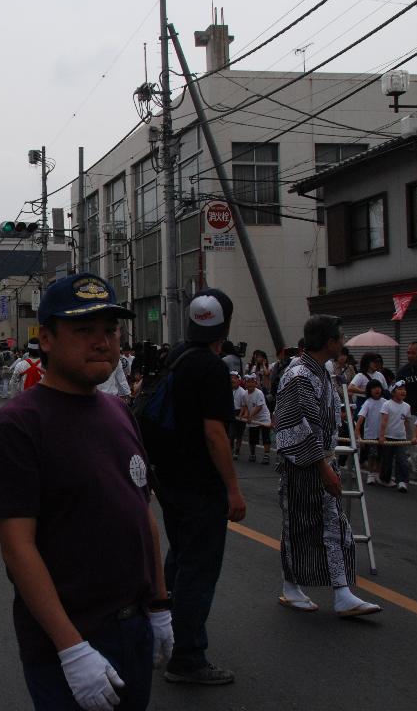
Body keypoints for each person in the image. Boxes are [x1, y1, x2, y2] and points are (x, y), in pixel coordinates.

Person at [0, 274, 168, 710]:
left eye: (110, 330)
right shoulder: (19, 425)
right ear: (45, 338)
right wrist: (71, 647)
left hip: (134, 624)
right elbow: (17, 548)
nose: (101, 342)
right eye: (84, 330)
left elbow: (143, 514)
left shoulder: (120, 412)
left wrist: (160, 605)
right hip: (69, 638)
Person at [148, 289, 246, 686]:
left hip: (168, 478)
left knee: (181, 558)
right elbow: (215, 434)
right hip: (200, 484)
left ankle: (163, 631)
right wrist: (234, 490)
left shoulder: (176, 356)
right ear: (224, 325)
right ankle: (187, 657)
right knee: (198, 569)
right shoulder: (212, 367)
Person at [274, 314, 382, 618]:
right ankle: (293, 587)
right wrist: (324, 467)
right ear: (330, 341)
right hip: (303, 465)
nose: (343, 344)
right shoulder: (299, 374)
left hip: (317, 460)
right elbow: (298, 426)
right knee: (299, 529)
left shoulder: (318, 371)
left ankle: (341, 592)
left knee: (333, 527)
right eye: (340, 338)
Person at [377, 381, 413, 491]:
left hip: (401, 437)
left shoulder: (407, 406)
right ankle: (384, 479)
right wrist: (382, 436)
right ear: (393, 392)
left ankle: (402, 481)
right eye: (400, 389)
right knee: (387, 460)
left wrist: (408, 436)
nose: (403, 391)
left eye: (404, 389)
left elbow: (406, 422)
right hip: (388, 436)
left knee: (402, 460)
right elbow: (384, 421)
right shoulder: (387, 404)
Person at [355, 380, 386, 485]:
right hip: (370, 435)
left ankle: (378, 474)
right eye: (373, 388)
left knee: (381, 455)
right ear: (369, 390)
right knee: (372, 455)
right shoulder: (368, 402)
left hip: (383, 435)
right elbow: (360, 419)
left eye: (378, 387)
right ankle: (370, 473)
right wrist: (359, 436)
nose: (377, 390)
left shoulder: (385, 402)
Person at [242, 374, 272, 464]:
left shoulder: (259, 393)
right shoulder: (244, 394)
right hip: (252, 418)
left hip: (263, 418)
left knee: (265, 437)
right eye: (248, 383)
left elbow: (259, 407)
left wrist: (250, 416)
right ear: (245, 384)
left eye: (252, 382)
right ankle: (252, 454)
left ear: (255, 384)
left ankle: (266, 455)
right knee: (252, 438)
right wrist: (245, 415)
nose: (250, 384)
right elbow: (246, 406)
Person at [229, 372, 246, 460]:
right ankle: (230, 449)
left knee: (239, 433)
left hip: (240, 412)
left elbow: (244, 405)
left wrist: (241, 415)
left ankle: (237, 450)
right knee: (231, 433)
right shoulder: (228, 390)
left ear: (238, 380)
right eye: (231, 378)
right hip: (231, 412)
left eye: (234, 378)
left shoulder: (242, 392)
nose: (232, 380)